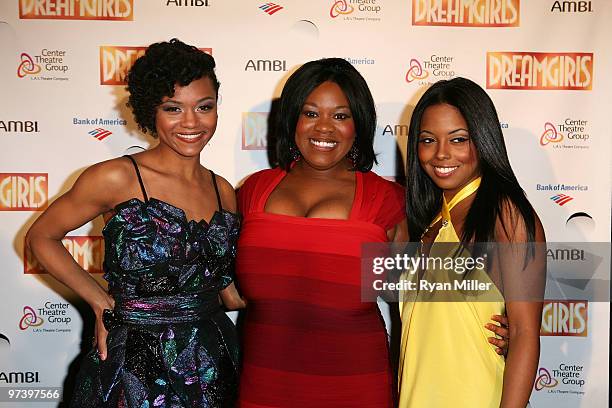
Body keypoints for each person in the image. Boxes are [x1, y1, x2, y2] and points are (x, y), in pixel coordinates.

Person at [26, 39, 245, 407]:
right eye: (173, 108)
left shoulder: (221, 188)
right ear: (150, 111)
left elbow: (227, 289)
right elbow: (42, 237)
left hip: (210, 357)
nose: (191, 122)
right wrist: (100, 301)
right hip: (135, 360)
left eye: (204, 107)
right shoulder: (116, 178)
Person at [235, 58, 408, 407]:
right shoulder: (253, 191)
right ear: (292, 120)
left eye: (340, 116)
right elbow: (216, 283)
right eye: (311, 113)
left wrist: (506, 325)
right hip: (262, 386)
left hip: (357, 388)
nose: (324, 128)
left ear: (358, 123)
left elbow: (418, 296)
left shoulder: (387, 201)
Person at [398, 77, 546, 407]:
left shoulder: (505, 214)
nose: (441, 154)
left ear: (483, 139)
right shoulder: (428, 223)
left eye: (458, 139)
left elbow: (523, 334)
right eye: (427, 140)